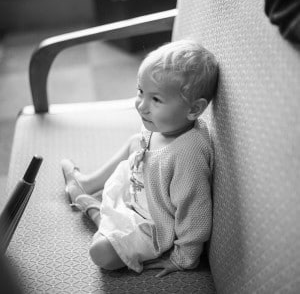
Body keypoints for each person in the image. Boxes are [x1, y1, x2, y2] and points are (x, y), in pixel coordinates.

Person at [61, 39, 219, 277]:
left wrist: (184, 258)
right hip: (141, 187)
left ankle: (93, 210)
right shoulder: (167, 124)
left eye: (156, 99)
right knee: (136, 141)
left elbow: (194, 211)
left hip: (151, 223)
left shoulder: (188, 156)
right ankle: (88, 182)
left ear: (194, 109)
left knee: (101, 254)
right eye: (140, 92)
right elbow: (142, 148)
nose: (141, 106)